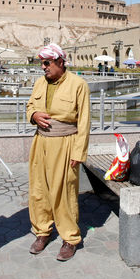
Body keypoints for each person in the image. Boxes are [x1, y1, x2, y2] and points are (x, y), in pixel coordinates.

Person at [26, 43, 90, 262]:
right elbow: (29, 106)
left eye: (47, 63)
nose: (43, 67)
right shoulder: (39, 83)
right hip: (40, 142)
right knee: (39, 190)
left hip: (66, 144)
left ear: (60, 62)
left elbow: (84, 121)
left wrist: (78, 152)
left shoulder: (78, 84)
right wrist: (34, 114)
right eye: (41, 63)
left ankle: (70, 238)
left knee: (64, 192)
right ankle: (42, 231)